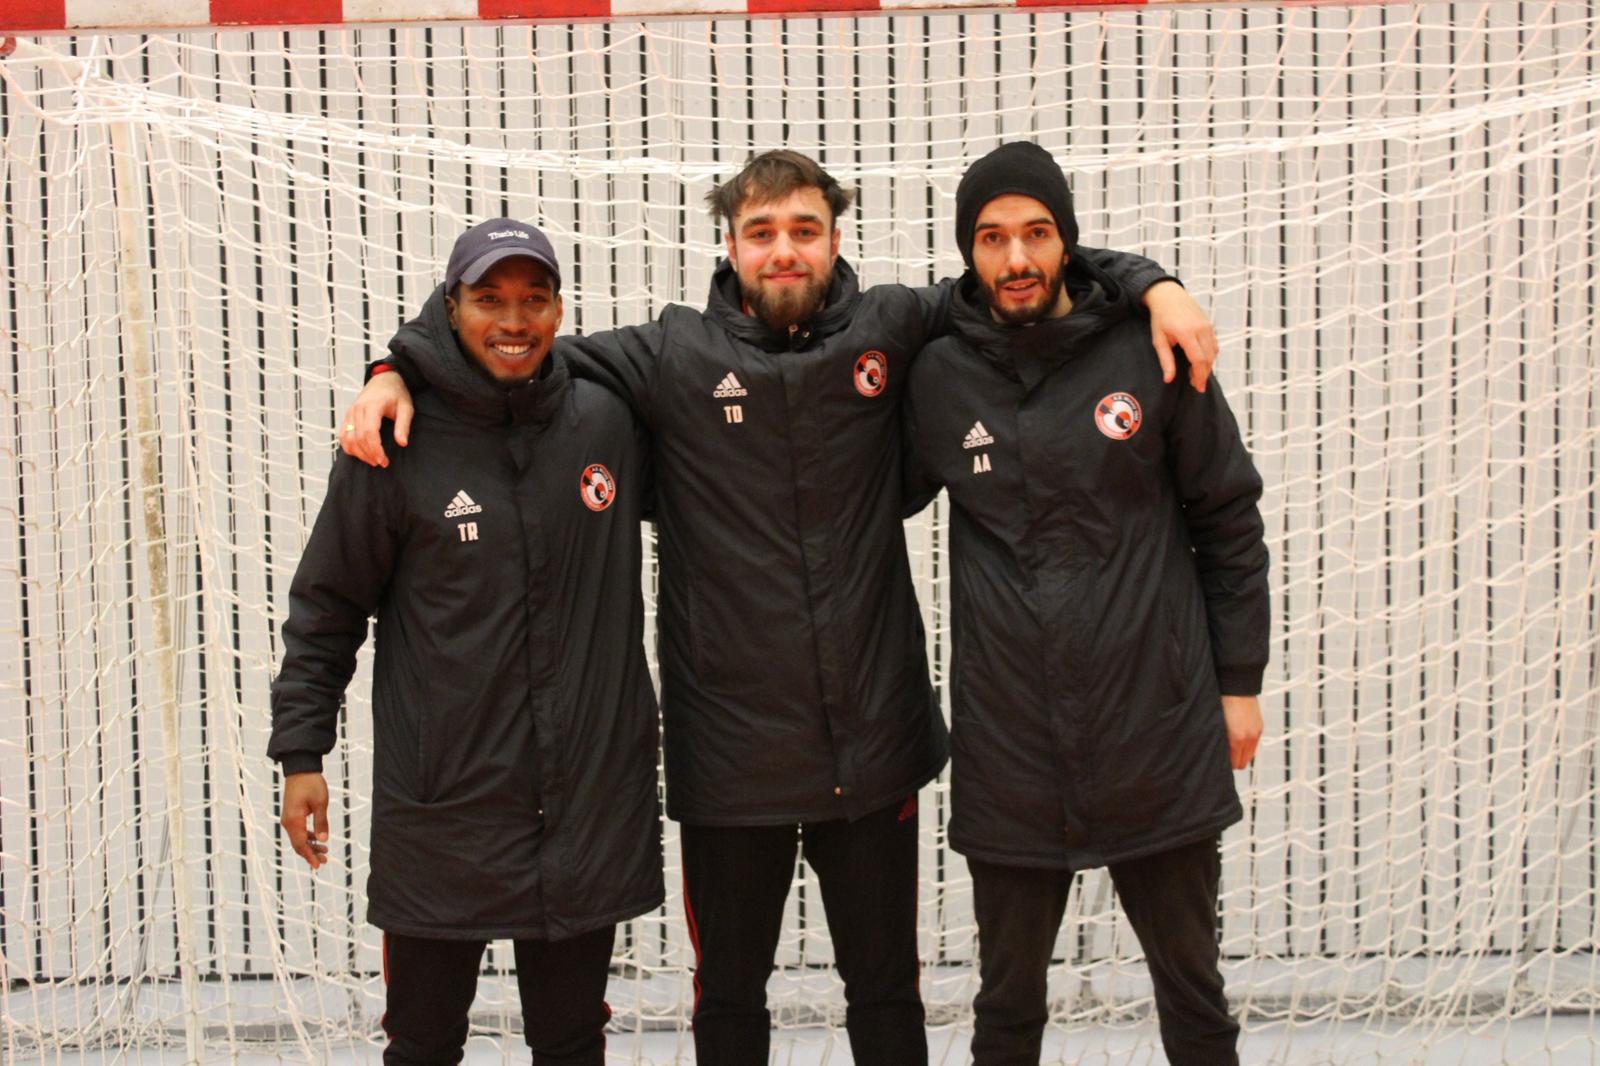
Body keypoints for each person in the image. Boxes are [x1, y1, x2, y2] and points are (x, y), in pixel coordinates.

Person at [339, 150, 1220, 1065]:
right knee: (728, 999)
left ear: (836, 241)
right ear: (730, 246)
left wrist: (1154, 286)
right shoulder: (669, 354)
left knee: (887, 994)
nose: (784, 250)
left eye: (805, 230)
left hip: (875, 750)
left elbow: (1014, 272)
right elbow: (506, 346)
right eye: (761, 233)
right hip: (731, 764)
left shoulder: (893, 325)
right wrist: (394, 367)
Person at [901, 141, 1269, 1066]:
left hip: (1158, 726)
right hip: (1012, 745)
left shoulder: (1150, 349)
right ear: (968, 253)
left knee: (1196, 1001)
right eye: (992, 238)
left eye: (1037, 233)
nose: (1017, 258)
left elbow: (1227, 516)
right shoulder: (936, 373)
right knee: (1006, 1010)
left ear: (1068, 240)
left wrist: (1239, 680)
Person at [269, 219, 659, 1066]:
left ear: (560, 310)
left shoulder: (606, 422)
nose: (513, 320)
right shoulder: (393, 442)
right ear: (450, 308)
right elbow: (328, 605)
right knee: (422, 1043)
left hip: (583, 810)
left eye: (533, 299)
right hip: (442, 814)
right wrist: (302, 751)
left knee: (572, 1042)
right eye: (489, 299)